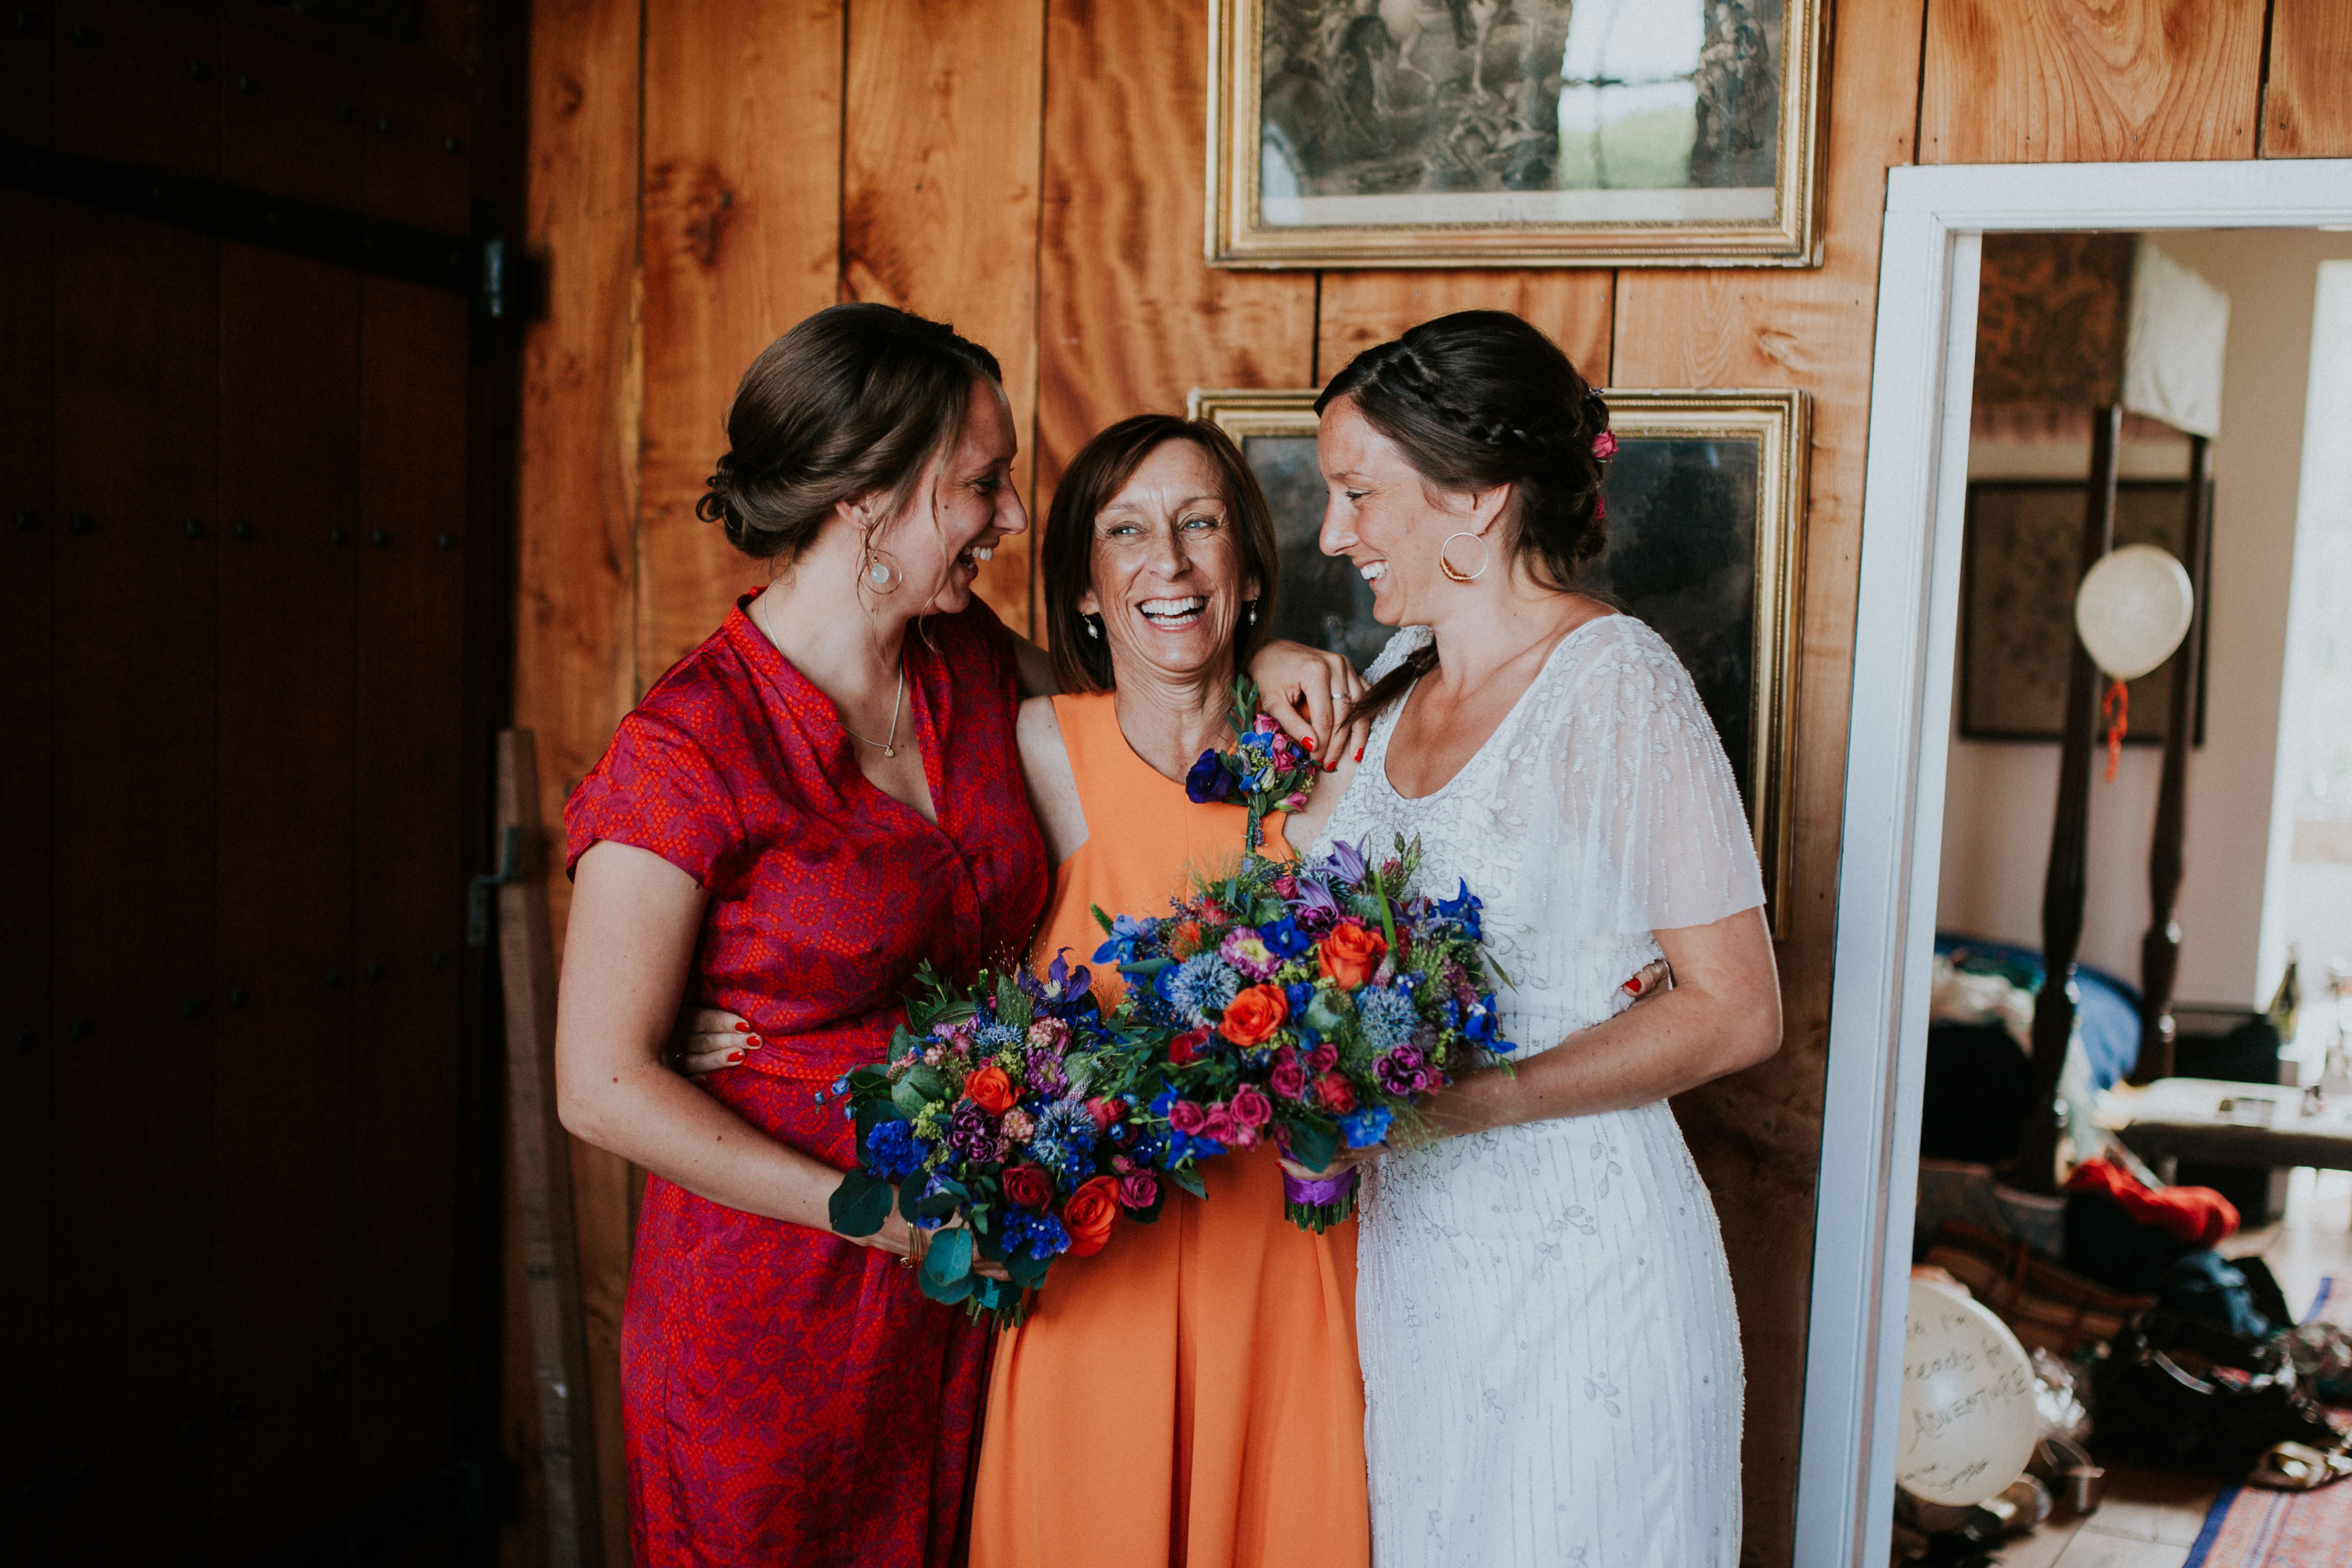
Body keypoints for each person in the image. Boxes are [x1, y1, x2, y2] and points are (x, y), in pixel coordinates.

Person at [557, 304, 1362, 1567]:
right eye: (982, 485)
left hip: (974, 1284)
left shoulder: (966, 663)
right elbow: (598, 1086)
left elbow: (1148, 692)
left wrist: (1264, 663)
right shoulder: (687, 748)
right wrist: (869, 1214)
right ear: (870, 499)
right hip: (781, 1297)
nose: (1004, 518)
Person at [1294, 311, 1783, 1566]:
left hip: (1584, 1265)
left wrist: (1489, 1100)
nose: (1329, 533)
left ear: (1476, 497)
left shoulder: (1615, 681)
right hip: (1419, 1270)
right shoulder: (1398, 673)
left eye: (1356, 493)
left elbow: (1736, 1008)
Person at [968, 414, 1371, 1568]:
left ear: (1246, 570)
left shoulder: (1327, 761)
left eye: (1200, 525)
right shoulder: (1038, 746)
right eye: (1127, 531)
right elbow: (901, 915)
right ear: (1087, 590)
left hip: (1281, 1277)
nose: (1170, 562)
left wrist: (1271, 661)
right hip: (1100, 1282)